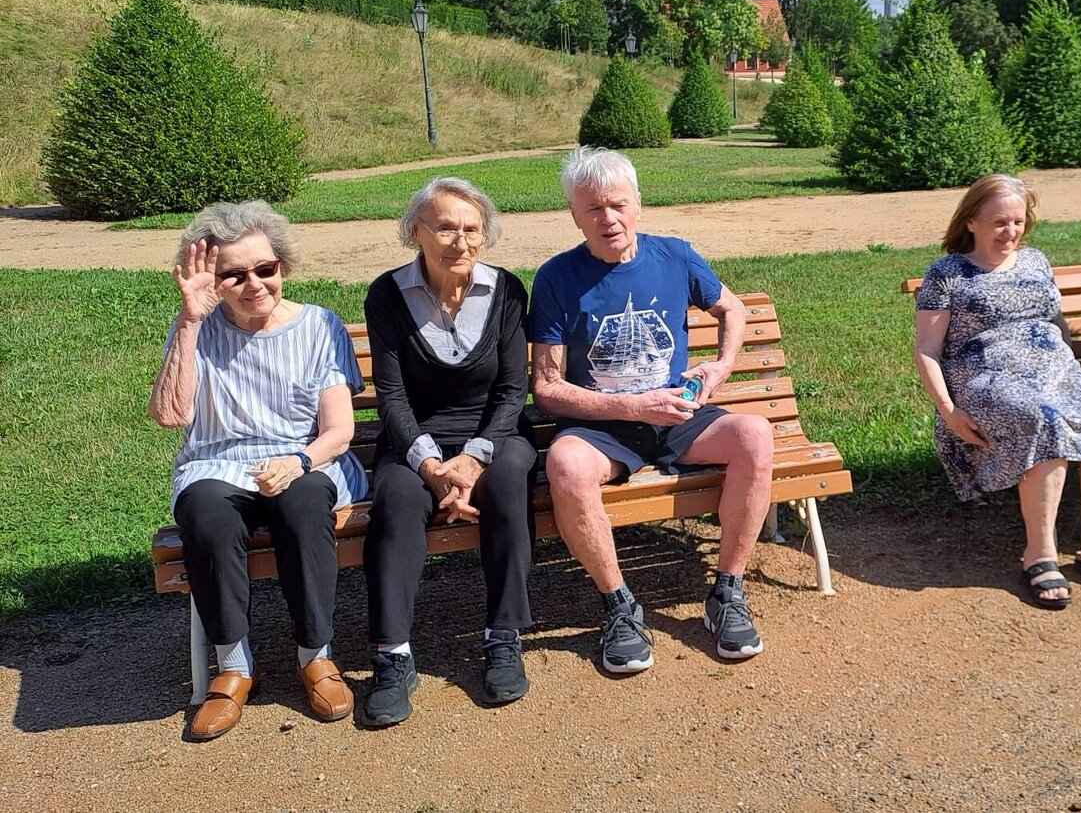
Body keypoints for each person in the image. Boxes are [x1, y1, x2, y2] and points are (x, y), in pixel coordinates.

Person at [530, 146, 773, 674]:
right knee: (566, 464)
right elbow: (547, 388)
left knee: (754, 434)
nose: (609, 219)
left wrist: (720, 367)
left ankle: (727, 592)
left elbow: (731, 308)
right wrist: (633, 405)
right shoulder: (555, 278)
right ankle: (619, 607)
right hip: (602, 426)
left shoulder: (676, 256)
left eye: (618, 204)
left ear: (638, 203)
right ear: (574, 215)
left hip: (679, 417)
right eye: (593, 208)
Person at [149, 201, 365, 741]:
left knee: (303, 502)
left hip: (306, 458)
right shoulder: (196, 328)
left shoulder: (319, 326)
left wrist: (296, 463)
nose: (254, 284)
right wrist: (190, 321)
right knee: (206, 512)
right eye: (234, 275)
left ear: (282, 266)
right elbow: (170, 415)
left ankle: (316, 656)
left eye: (264, 269)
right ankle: (233, 666)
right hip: (218, 463)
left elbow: (338, 431)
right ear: (214, 280)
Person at [913, 174, 1081, 609]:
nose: (1011, 231)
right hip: (986, 376)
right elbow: (926, 348)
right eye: (999, 222)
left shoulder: (1036, 260)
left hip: (1053, 371)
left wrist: (1070, 370)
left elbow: (1055, 323)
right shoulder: (947, 273)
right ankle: (1039, 553)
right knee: (1044, 421)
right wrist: (947, 409)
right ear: (971, 222)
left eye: (1018, 221)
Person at [360, 178, 537, 727]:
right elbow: (391, 395)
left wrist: (475, 459)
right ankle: (393, 655)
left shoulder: (507, 291)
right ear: (415, 232)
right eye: (444, 228)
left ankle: (503, 637)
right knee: (395, 497)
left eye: (471, 229)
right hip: (416, 437)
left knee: (508, 480)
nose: (459, 241)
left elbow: (513, 390)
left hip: (494, 432)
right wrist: (432, 465)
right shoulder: (386, 295)